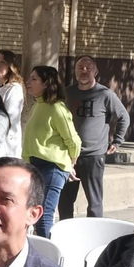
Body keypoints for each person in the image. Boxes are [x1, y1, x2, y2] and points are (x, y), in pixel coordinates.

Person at [59, 56, 131, 221]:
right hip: (69, 156)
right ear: (76, 71)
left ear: (96, 71)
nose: (84, 71)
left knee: (94, 202)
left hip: (93, 156)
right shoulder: (66, 93)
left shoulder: (105, 94)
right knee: (65, 201)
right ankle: (66, 233)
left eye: (88, 68)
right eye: (80, 68)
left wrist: (117, 140)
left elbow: (123, 117)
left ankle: (95, 232)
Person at [23, 66, 83, 237]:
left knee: (43, 216)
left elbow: (74, 141)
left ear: (46, 83)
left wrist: (69, 163)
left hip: (52, 167)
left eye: (34, 79)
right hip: (35, 166)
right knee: (32, 213)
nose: (29, 82)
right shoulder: (37, 106)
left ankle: (48, 257)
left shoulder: (57, 108)